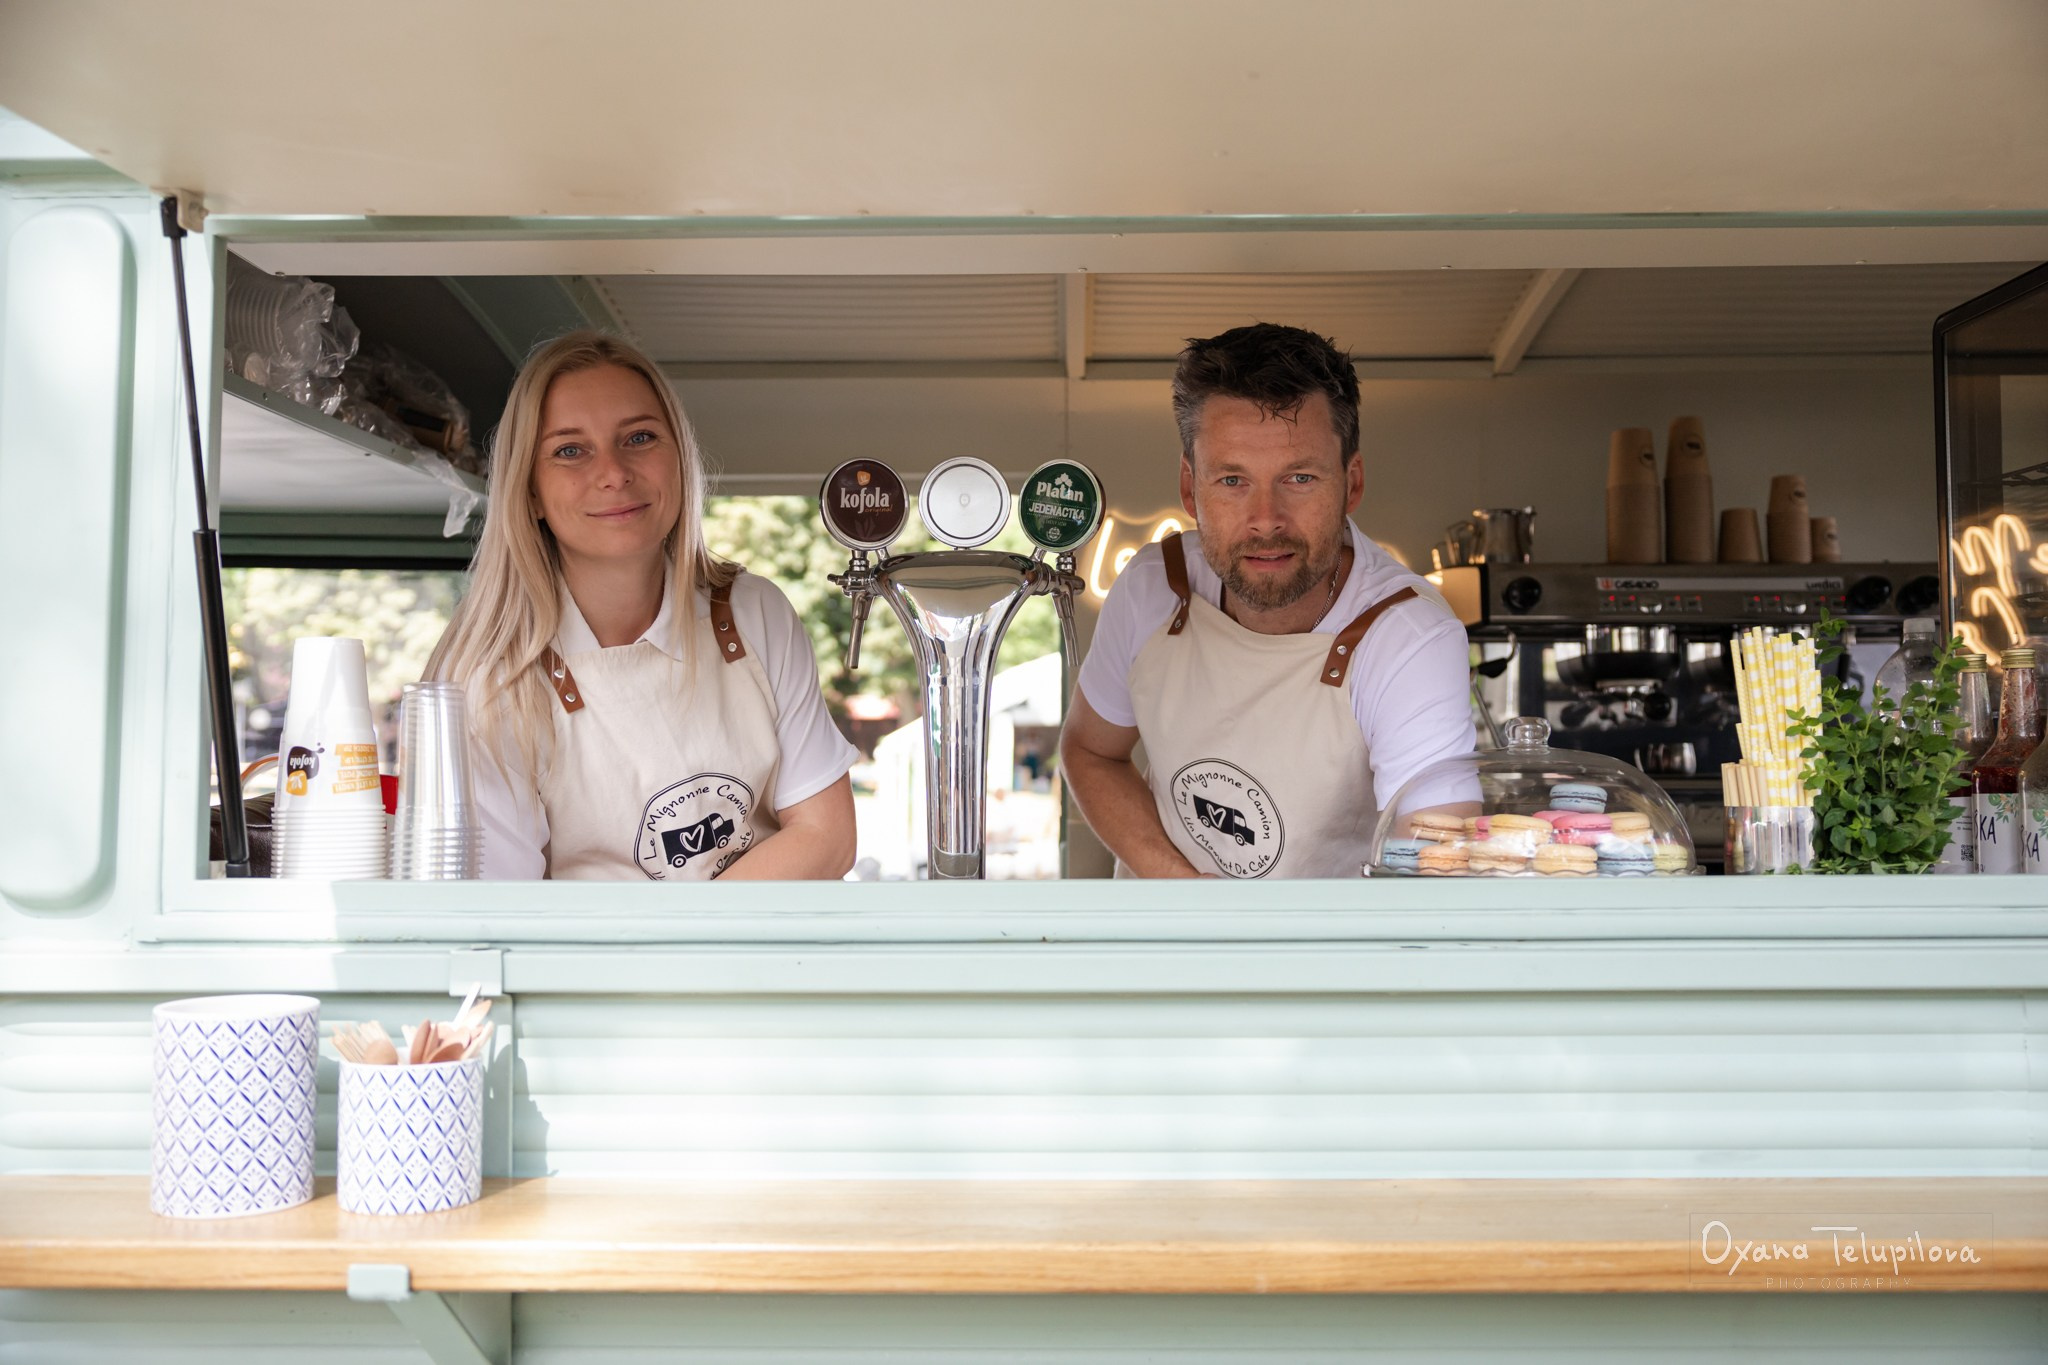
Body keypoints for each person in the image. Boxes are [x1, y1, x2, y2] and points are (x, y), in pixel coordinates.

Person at [427, 331, 857, 880]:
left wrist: (687, 949)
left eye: (640, 438)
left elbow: (828, 838)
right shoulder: (485, 678)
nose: (613, 472)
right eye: (569, 450)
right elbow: (509, 917)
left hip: (768, 963)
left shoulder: (754, 612)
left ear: (680, 459)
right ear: (529, 490)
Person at [1060, 323, 1474, 878]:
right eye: (1232, 480)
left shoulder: (1409, 636)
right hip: (1160, 952)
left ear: (1351, 483)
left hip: (1330, 959)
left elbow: (1436, 865)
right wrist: (1183, 892)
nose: (1266, 520)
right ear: (1190, 488)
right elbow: (1091, 753)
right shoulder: (1152, 587)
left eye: (1299, 477)